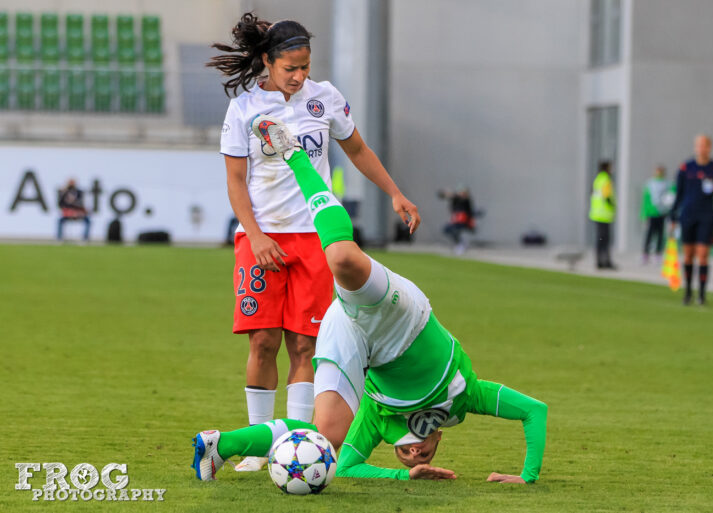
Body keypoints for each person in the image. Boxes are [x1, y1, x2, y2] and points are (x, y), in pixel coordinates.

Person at [191, 117, 547, 484]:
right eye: (417, 452)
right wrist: (527, 477)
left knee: (323, 440)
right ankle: (295, 155)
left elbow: (346, 466)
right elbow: (535, 411)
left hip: (353, 335)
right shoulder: (466, 396)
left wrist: (405, 477)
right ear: (439, 437)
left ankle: (221, 445)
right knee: (343, 259)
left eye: (406, 453)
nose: (414, 452)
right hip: (402, 317)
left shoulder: (377, 418)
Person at [207, 13, 420, 471]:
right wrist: (257, 234)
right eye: (290, 68)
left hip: (315, 239)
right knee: (262, 341)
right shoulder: (244, 107)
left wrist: (395, 193)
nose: (299, 76)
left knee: (304, 345)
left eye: (305, 67)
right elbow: (235, 180)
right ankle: (257, 447)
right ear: (267, 61)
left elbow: (358, 150)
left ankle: (299, 446)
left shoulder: (325, 100)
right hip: (260, 238)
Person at [670, 134, 713, 305]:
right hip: (688, 215)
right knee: (688, 256)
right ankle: (688, 292)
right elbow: (678, 194)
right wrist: (673, 215)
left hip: (706, 216)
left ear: (709, 147)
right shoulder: (686, 168)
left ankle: (702, 295)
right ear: (695, 147)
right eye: (699, 145)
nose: (702, 148)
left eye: (705, 145)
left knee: (703, 256)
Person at [640, 166, 673, 264]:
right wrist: (644, 213)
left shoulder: (667, 183)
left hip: (662, 213)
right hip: (652, 212)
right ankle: (645, 254)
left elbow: (671, 195)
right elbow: (646, 199)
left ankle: (658, 254)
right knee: (649, 234)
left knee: (660, 234)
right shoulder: (650, 183)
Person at [588, 161, 616, 270]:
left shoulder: (598, 179)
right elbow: (607, 196)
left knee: (600, 239)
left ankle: (600, 261)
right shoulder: (605, 179)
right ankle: (605, 261)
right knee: (604, 240)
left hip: (597, 213)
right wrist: (613, 206)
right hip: (604, 214)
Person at [438, 186, 476, 254]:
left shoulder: (466, 200)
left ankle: (461, 245)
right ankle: (461, 243)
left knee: (455, 231)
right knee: (447, 229)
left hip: (464, 221)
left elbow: (469, 211)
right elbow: (449, 196)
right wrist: (446, 194)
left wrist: (471, 222)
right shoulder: (456, 199)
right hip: (456, 221)